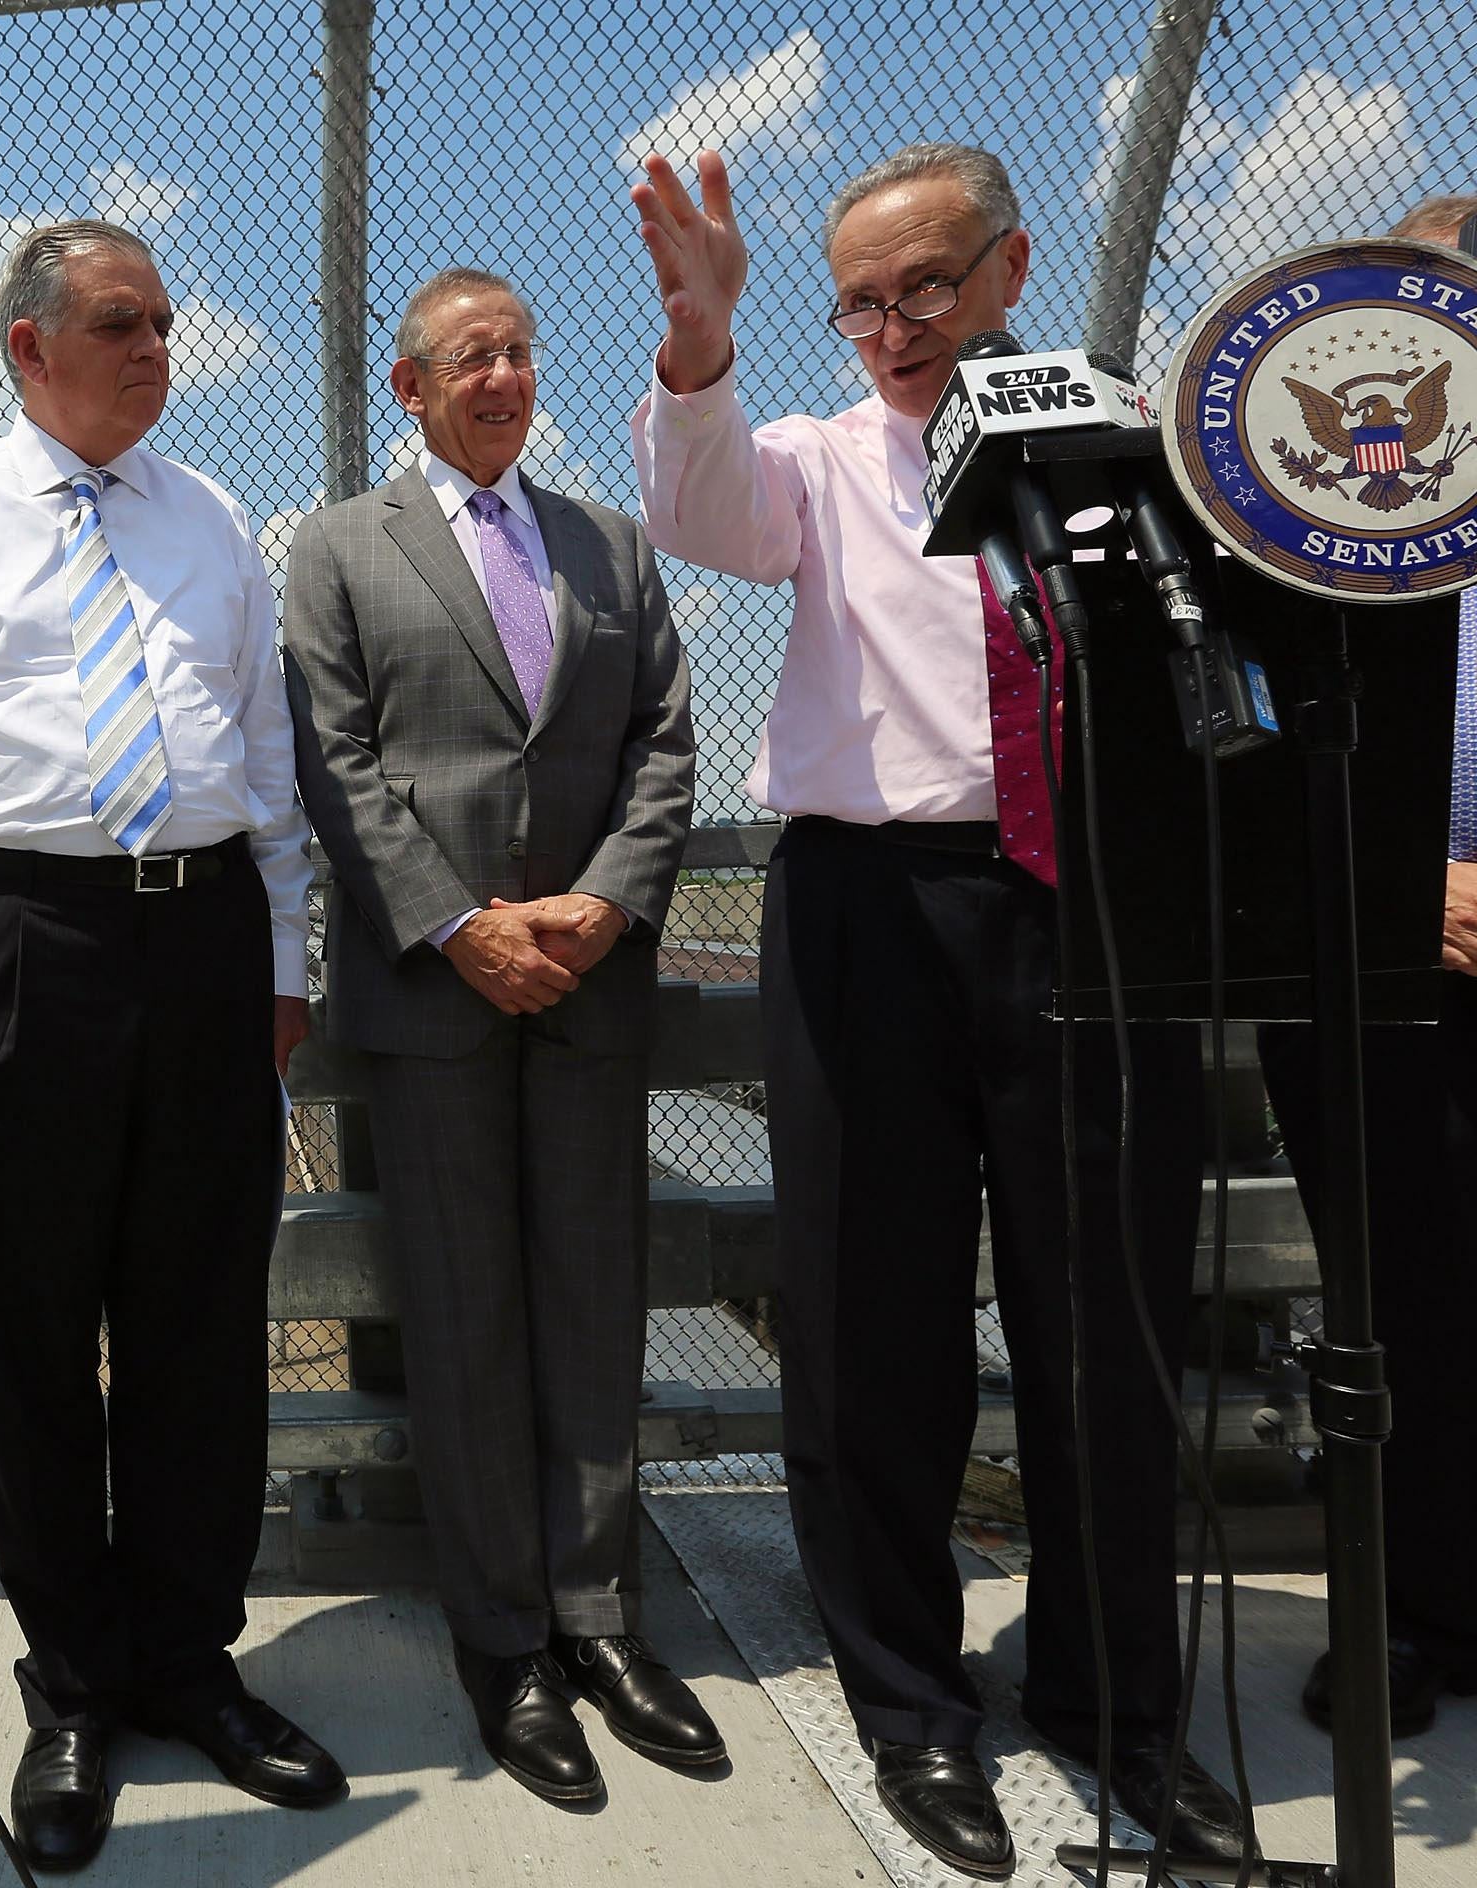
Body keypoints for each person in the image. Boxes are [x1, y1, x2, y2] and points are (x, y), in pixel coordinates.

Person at [625, 145, 1246, 1877]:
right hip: (871, 918)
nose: (894, 330)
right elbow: (700, 511)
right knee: (871, 1320)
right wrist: (701, 342)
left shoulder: (1119, 435)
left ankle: (1115, 1701)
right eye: (861, 302)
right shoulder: (817, 462)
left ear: (1011, 267)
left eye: (927, 288)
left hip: (1095, 909)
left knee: (1105, 1321)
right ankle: (908, 1704)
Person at [0, 218, 337, 1871]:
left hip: (201, 936)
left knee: (201, 1319)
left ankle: (189, 1664)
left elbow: (269, 765)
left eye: (166, 322)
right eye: (124, 324)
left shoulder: (211, 520)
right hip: (13, 941)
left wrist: (279, 955)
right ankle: (72, 1689)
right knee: (29, 1332)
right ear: (28, 344)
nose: (158, 350)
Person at [280, 269, 713, 1804]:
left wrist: (599, 909)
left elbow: (665, 738)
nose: (506, 376)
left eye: (523, 351)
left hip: (589, 986)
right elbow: (334, 762)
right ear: (410, 386)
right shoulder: (335, 549)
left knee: (591, 1306)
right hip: (435, 996)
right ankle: (504, 1642)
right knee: (463, 1322)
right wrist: (462, 926)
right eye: (474, 357)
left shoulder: (609, 543)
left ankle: (602, 1618)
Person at [1260, 191, 1477, 1740]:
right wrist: (1419, 879)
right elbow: (1252, 736)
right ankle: (1406, 1613)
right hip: (1375, 965)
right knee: (1391, 1304)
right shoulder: (1292, 522)